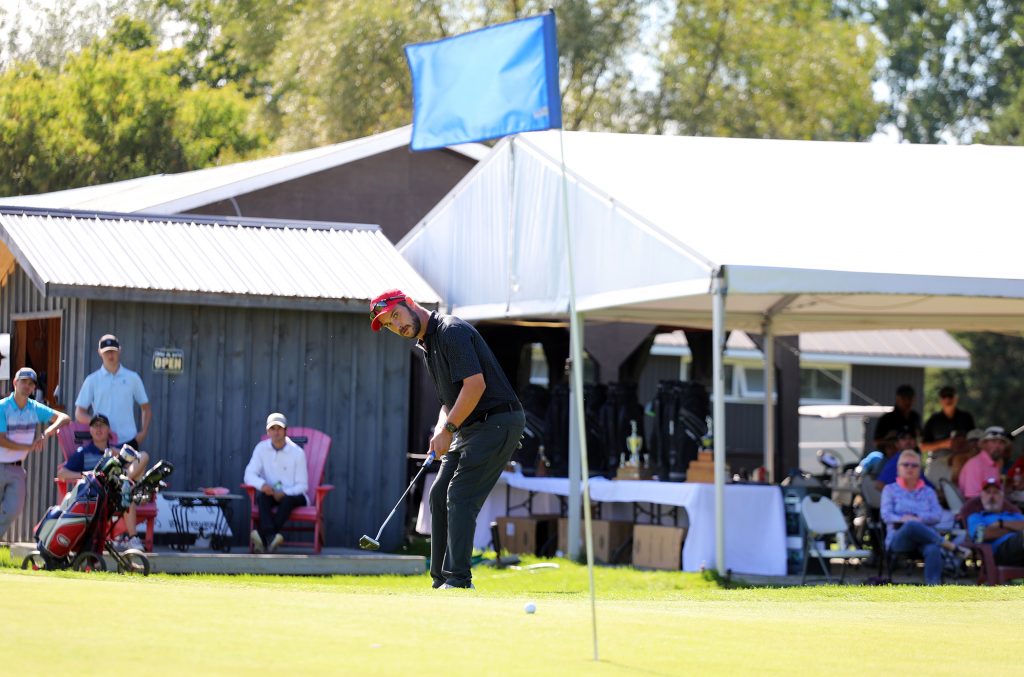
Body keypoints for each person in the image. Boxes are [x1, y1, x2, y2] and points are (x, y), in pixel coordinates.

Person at [370, 289, 525, 590]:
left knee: (460, 495)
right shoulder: (427, 345)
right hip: (468, 426)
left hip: (498, 421)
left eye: (396, 315)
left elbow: (475, 387)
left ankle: (458, 581)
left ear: (410, 304)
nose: (396, 325)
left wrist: (449, 430)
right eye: (389, 324)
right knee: (438, 495)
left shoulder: (450, 331)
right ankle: (441, 581)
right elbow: (447, 402)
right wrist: (440, 430)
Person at [57, 413, 149, 550]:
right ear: (90, 430)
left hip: (115, 495)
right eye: (95, 425)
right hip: (93, 498)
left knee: (142, 459)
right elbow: (62, 474)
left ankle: (132, 538)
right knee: (126, 491)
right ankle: (132, 537)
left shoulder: (116, 453)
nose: (98, 429)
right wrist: (85, 474)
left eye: (102, 425)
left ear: (108, 430)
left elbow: (142, 457)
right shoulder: (83, 452)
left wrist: (116, 452)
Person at [0, 367, 71, 539]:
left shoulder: (34, 408)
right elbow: (1, 439)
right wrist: (28, 447)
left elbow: (65, 418)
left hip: (17, 469)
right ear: (15, 383)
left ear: (33, 389)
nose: (27, 386)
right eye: (23, 381)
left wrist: (46, 433)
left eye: (31, 383)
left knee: (13, 510)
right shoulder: (2, 407)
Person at [880, 450, 969, 585]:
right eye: (906, 465)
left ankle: (933, 588)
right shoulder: (890, 490)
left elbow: (937, 515)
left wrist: (919, 519)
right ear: (898, 469)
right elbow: (886, 515)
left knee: (932, 548)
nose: (910, 468)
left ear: (920, 469)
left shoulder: (928, 492)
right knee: (910, 525)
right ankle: (951, 547)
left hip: (925, 539)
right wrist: (905, 519)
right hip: (899, 538)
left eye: (914, 465)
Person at [243, 412, 308, 553]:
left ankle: (262, 536)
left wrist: (284, 493)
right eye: (272, 428)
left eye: (279, 428)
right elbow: (249, 474)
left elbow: (303, 485)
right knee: (262, 498)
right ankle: (271, 538)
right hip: (271, 493)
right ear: (267, 431)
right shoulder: (261, 448)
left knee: (287, 501)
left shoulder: (297, 453)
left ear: (286, 430)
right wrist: (262, 485)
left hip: (294, 495)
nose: (276, 432)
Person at [74, 334, 152, 449]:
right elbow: (79, 413)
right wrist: (99, 424)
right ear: (100, 352)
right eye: (106, 352)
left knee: (132, 468)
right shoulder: (92, 380)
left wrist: (143, 433)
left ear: (119, 350)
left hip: (129, 441)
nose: (110, 355)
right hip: (102, 442)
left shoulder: (133, 378)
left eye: (113, 351)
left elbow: (146, 407)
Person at [965, 477, 1024, 566]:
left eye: (995, 493)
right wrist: (1017, 528)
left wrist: (1001, 524)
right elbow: (981, 535)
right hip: (1000, 553)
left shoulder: (1015, 515)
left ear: (1002, 497)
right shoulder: (976, 517)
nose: (991, 497)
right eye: (988, 492)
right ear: (982, 496)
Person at [958, 426, 1011, 499]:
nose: (997, 446)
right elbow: (971, 498)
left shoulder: (994, 464)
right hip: (977, 509)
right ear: (984, 444)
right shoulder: (975, 464)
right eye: (994, 441)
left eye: (1001, 443)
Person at [920, 386, 975, 454]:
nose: (947, 399)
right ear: (940, 400)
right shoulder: (933, 420)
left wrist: (960, 442)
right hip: (939, 458)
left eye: (950, 396)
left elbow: (975, 440)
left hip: (962, 457)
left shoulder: (966, 418)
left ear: (956, 398)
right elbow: (923, 447)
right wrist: (943, 444)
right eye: (944, 397)